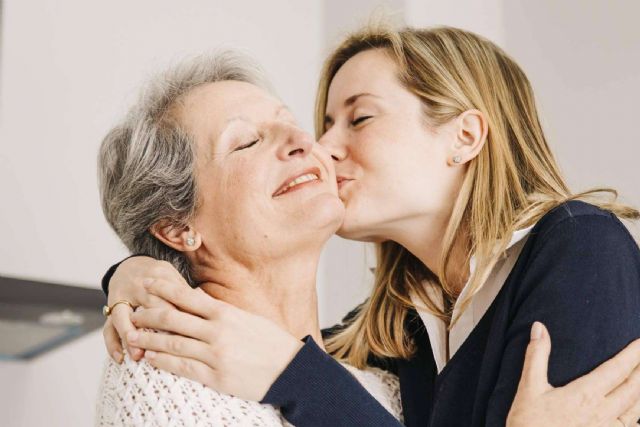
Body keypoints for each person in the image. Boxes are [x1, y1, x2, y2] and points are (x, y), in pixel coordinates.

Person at [101, 26, 640, 426]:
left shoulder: (578, 247)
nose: (320, 147)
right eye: (247, 141)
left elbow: (291, 359)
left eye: (359, 118)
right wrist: (131, 273)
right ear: (176, 226)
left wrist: (292, 371)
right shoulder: (405, 328)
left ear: (465, 137)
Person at [95, 52, 402, 425]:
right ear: (178, 228)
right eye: (247, 142)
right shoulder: (162, 377)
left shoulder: (389, 384)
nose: (302, 140)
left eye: (291, 123)